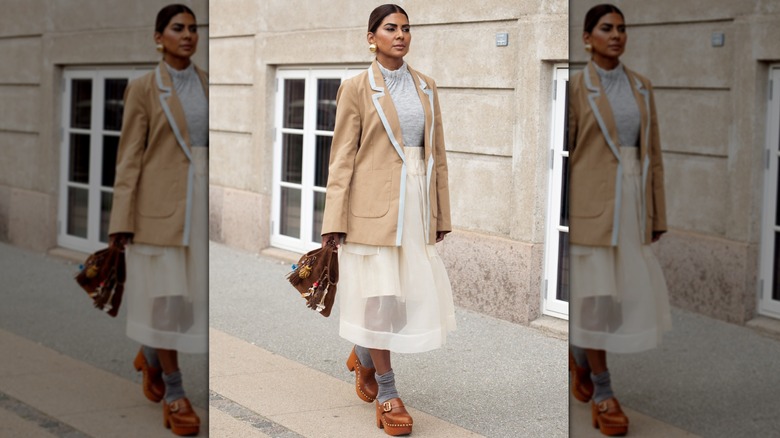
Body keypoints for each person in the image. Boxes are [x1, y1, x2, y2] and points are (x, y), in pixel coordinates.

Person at [320, 4, 456, 436]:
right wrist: (333, 219)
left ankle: (362, 353)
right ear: (371, 37)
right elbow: (342, 158)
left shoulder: (427, 87)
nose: (400, 35)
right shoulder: (357, 87)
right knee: (380, 299)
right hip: (372, 209)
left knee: (400, 301)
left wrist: (440, 211)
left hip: (415, 208)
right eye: (390, 28)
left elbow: (439, 157)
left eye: (406, 29)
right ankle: (388, 390)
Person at [567, 4, 672, 436]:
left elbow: (655, 157)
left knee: (617, 301)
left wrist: (656, 212)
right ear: (588, 37)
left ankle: (578, 353)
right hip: (590, 210)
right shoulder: (577, 88)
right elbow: (567, 154)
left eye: (622, 29)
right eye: (607, 28)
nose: (617, 35)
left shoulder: (643, 88)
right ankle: (605, 391)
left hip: (631, 208)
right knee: (595, 299)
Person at [108, 4, 207, 436]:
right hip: (158, 214)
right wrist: (120, 221)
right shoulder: (145, 87)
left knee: (185, 306)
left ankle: (149, 354)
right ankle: (175, 389)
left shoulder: (208, 84)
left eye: (193, 28)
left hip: (199, 214)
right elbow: (129, 157)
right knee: (167, 303)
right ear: (158, 36)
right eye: (177, 28)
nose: (187, 35)